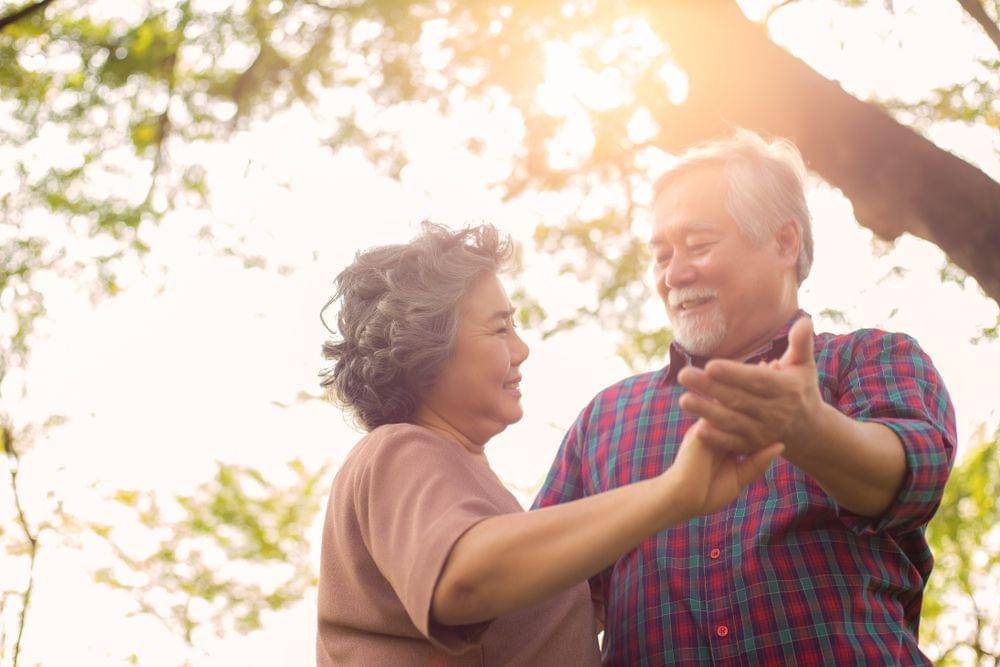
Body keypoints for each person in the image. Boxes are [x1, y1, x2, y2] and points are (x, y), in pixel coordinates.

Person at [534, 129, 956, 665]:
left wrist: (808, 431)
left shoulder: (871, 359)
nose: (674, 274)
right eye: (661, 255)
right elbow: (538, 591)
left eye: (698, 245)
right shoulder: (606, 418)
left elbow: (909, 480)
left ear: (784, 242)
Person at [315, 222, 783, 666]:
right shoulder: (399, 450)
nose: (521, 350)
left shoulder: (464, 476)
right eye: (500, 328)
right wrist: (674, 493)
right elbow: (463, 581)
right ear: (427, 346)